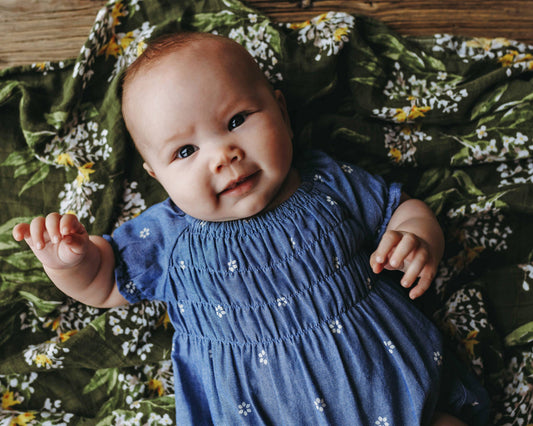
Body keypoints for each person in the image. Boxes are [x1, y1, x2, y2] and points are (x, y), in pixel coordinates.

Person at [13, 32, 489, 425]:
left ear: (280, 110)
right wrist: (71, 261)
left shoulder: (329, 183)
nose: (224, 155)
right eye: (185, 152)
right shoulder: (166, 235)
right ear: (157, 176)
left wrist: (417, 237)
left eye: (238, 120)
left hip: (398, 399)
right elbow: (104, 283)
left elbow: (403, 209)